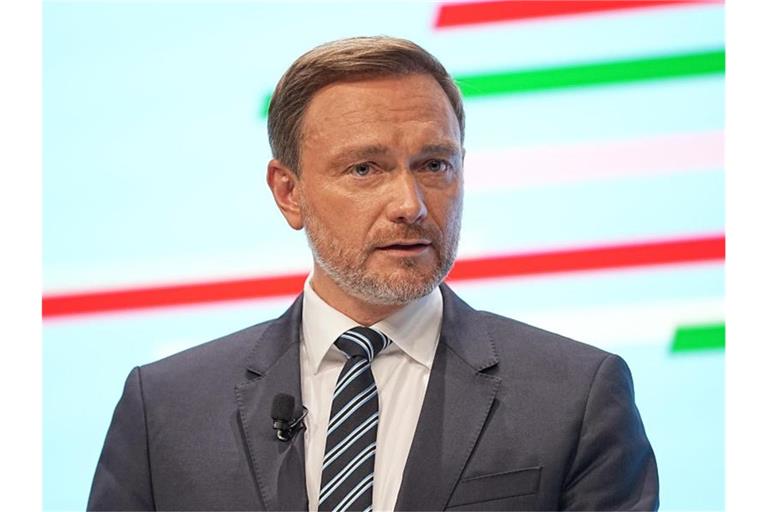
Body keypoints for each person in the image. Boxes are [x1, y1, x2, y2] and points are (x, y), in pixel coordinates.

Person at [88, 36, 658, 511]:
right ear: (288, 192)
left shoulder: (576, 396)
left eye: (434, 164)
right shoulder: (165, 409)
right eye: (365, 169)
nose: (410, 204)